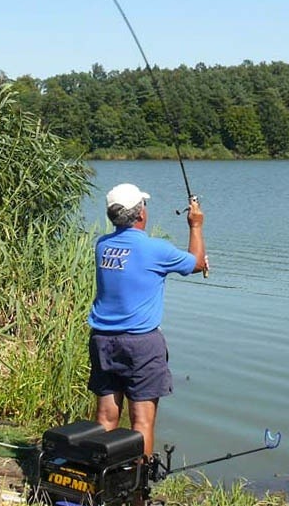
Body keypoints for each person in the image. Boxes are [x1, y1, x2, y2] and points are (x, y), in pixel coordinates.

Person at [87, 182, 208, 457]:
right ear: (141, 214)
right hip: (141, 343)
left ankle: (103, 482)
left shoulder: (102, 245)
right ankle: (137, 493)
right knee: (141, 421)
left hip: (102, 340)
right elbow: (197, 262)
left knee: (106, 418)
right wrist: (196, 225)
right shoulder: (155, 249)